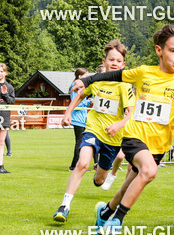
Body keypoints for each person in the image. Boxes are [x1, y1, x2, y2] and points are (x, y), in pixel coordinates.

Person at [70, 24, 174, 235]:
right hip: (134, 137)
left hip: (158, 146)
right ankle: (116, 222)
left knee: (130, 185)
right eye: (172, 51)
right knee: (149, 170)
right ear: (159, 50)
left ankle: (105, 213)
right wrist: (86, 80)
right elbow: (115, 74)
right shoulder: (144, 72)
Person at [54, 40, 135, 222]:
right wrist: (68, 113)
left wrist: (118, 125)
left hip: (113, 139)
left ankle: (103, 175)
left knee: (99, 180)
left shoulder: (124, 86)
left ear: (123, 65)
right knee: (82, 163)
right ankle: (64, 206)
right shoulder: (96, 82)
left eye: (118, 60)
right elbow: (79, 96)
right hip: (93, 131)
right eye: (111, 59)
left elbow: (130, 113)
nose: (114, 63)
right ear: (104, 61)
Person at [67, 68, 92, 171]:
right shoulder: (76, 87)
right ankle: (74, 166)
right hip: (78, 119)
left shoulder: (81, 87)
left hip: (82, 119)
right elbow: (76, 102)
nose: (88, 78)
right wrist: (89, 101)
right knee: (79, 142)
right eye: (86, 76)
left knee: (82, 142)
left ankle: (78, 164)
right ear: (80, 77)